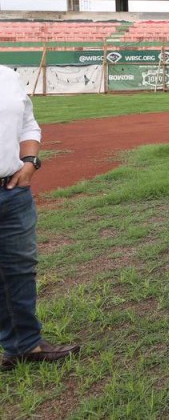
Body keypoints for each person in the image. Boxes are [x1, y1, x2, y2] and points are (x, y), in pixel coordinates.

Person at [0, 65, 81, 372]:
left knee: (19, 270)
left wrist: (30, 161)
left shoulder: (7, 76)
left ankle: (25, 345)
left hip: (12, 189)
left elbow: (28, 125)